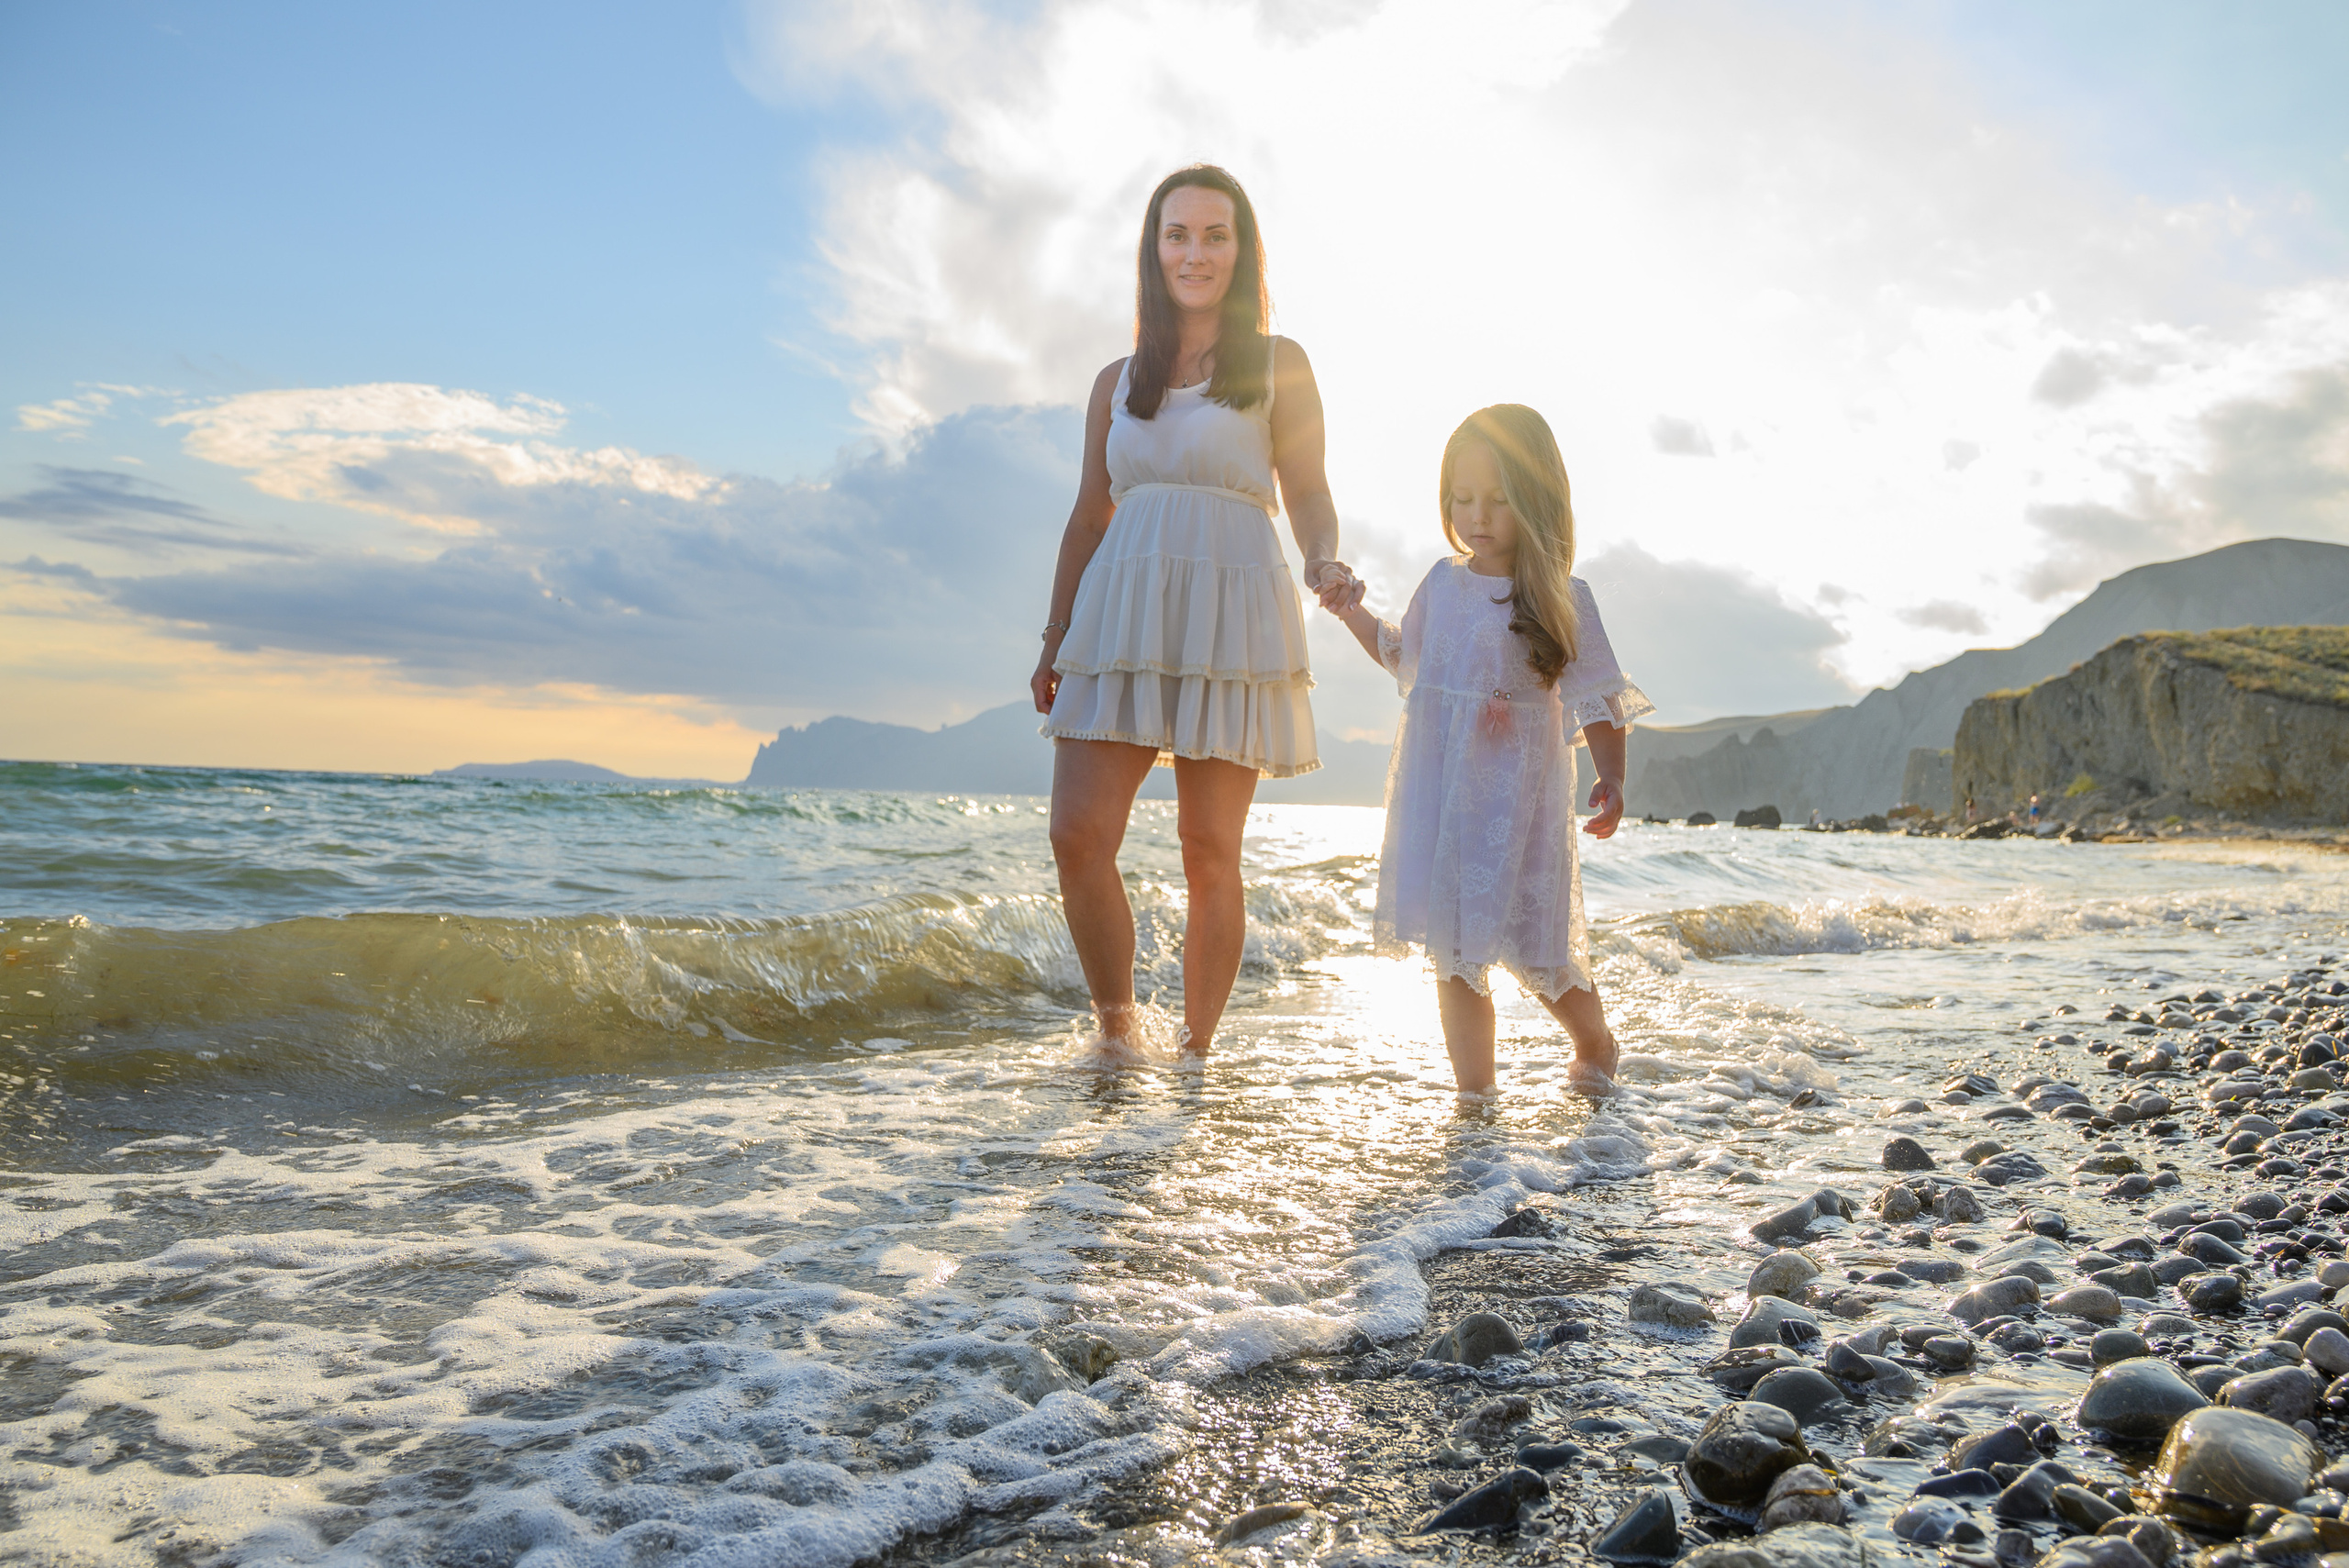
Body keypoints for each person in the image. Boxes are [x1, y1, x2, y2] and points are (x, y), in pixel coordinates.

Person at [1031, 164, 1358, 1055]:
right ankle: (1114, 1028)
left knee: (1208, 844)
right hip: (1119, 606)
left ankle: (1196, 1055)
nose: (1196, 252)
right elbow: (1088, 514)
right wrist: (1055, 634)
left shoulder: (1279, 363)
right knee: (1076, 835)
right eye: (1178, 234)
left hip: (1233, 603)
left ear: (1242, 250)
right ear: (1154, 248)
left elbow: (1308, 488)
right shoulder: (1115, 378)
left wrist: (1324, 556)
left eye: (1216, 235)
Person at [1326, 405, 1650, 1095]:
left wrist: (1612, 778)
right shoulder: (1442, 584)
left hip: (1520, 810)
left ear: (1535, 499)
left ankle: (1594, 1041)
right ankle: (1476, 1101)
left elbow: (1599, 698)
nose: (1478, 514)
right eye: (1463, 498)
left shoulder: (1563, 598)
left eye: (1499, 499)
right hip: (1445, 803)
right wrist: (1352, 607)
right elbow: (1401, 654)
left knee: (1537, 949)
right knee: (1455, 954)